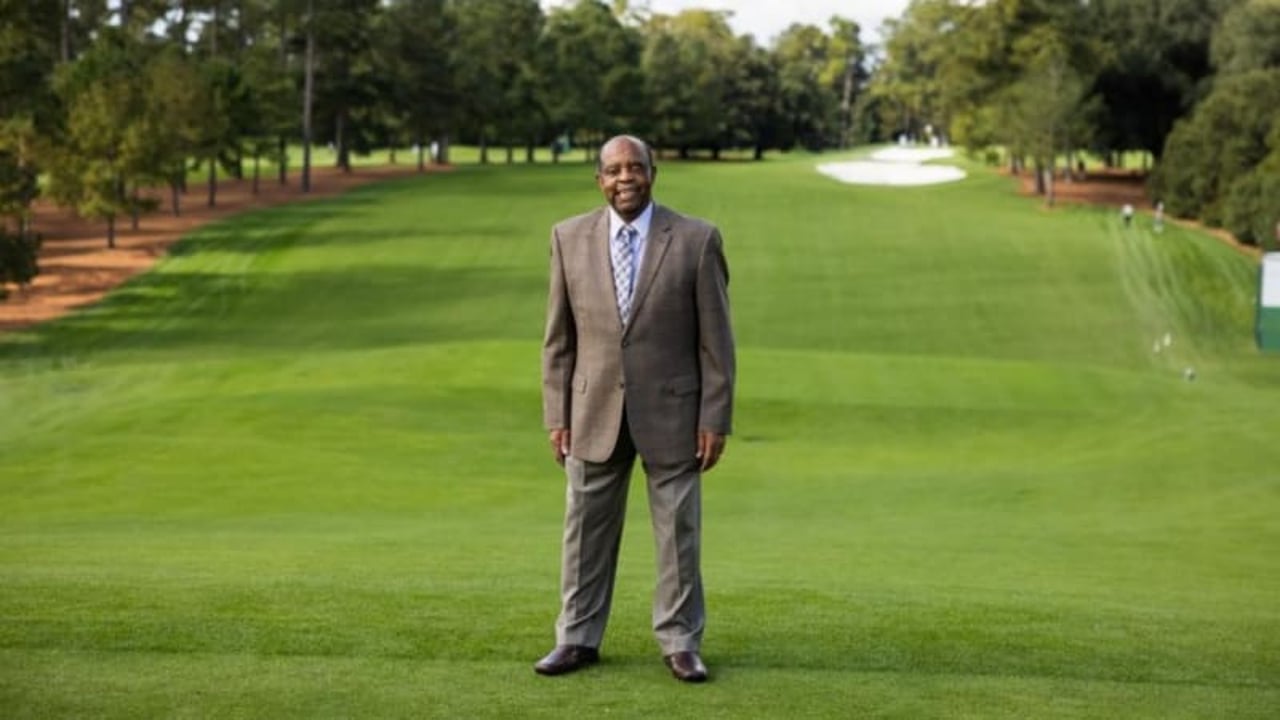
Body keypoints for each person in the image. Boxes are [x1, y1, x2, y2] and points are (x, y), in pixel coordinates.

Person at [535, 135, 736, 683]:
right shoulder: (568, 238)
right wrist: (557, 413)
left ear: (654, 172)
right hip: (591, 409)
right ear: (598, 179)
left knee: (678, 533)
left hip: (674, 414)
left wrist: (715, 417)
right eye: (613, 170)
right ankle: (575, 637)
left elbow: (717, 342)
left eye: (635, 168)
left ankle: (680, 642)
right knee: (584, 531)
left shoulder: (696, 240)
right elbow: (559, 340)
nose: (625, 178)